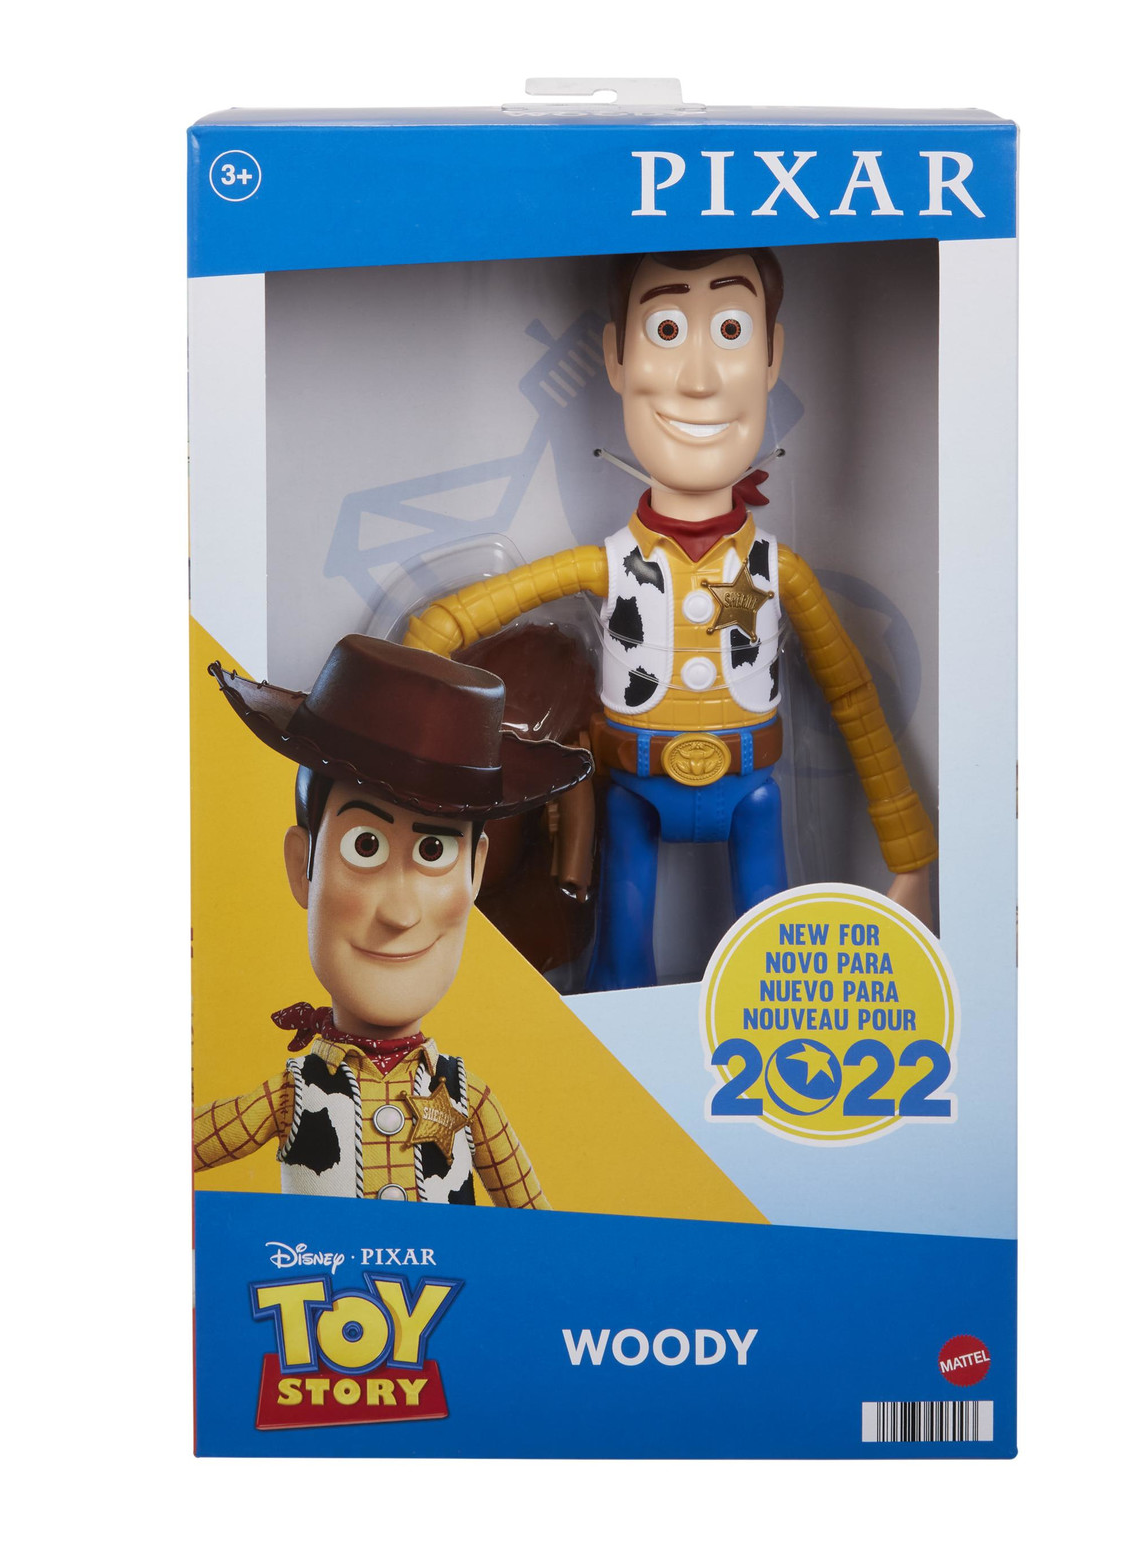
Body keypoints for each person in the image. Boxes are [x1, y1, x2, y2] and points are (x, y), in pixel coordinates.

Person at [401, 247, 936, 990]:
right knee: (620, 963)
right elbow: (451, 621)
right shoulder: (605, 565)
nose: (699, 378)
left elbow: (853, 697)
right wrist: (406, 688)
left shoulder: (777, 571)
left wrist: (910, 856)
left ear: (773, 356)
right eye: (666, 330)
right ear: (616, 359)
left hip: (749, 788)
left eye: (730, 330)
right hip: (634, 788)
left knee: (778, 967)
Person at [192, 636, 591, 1205]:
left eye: (434, 851)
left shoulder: (467, 1100)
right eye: (365, 846)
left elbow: (546, 1235)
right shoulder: (295, 1095)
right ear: (302, 867)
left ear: (475, 873)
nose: (401, 913)